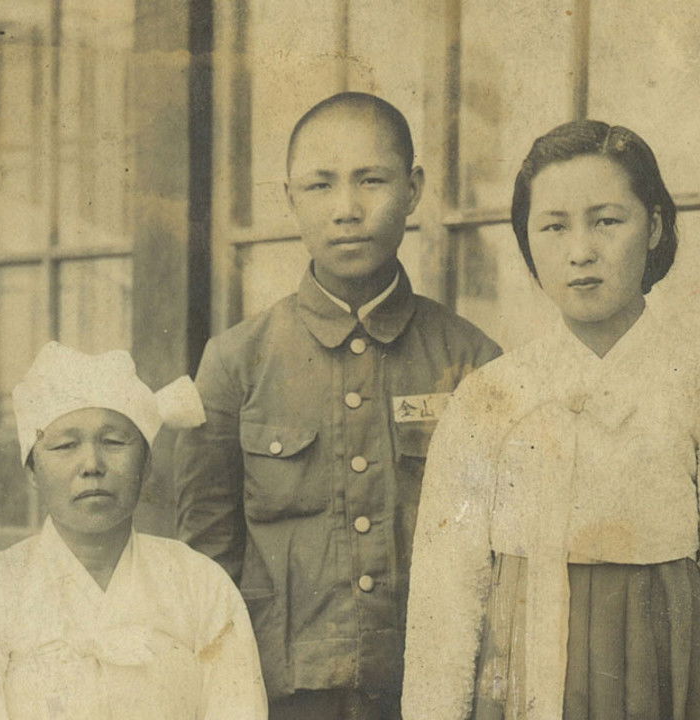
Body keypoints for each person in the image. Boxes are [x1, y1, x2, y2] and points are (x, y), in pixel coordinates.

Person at [402, 120, 700, 720]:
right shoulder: (488, 399)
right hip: (520, 686)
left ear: (654, 226)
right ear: (528, 241)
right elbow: (445, 599)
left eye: (607, 221)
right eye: (553, 226)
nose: (580, 251)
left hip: (666, 680)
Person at [175, 92, 501, 718]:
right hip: (280, 696)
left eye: (371, 180)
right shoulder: (235, 363)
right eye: (320, 185)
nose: (347, 209)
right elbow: (205, 566)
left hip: (429, 692)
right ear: (289, 198)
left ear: (413, 189)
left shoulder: (471, 360)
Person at [0, 342, 268, 720]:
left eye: (114, 442)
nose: (91, 464)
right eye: (65, 445)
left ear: (146, 464)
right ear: (32, 470)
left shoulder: (201, 585)